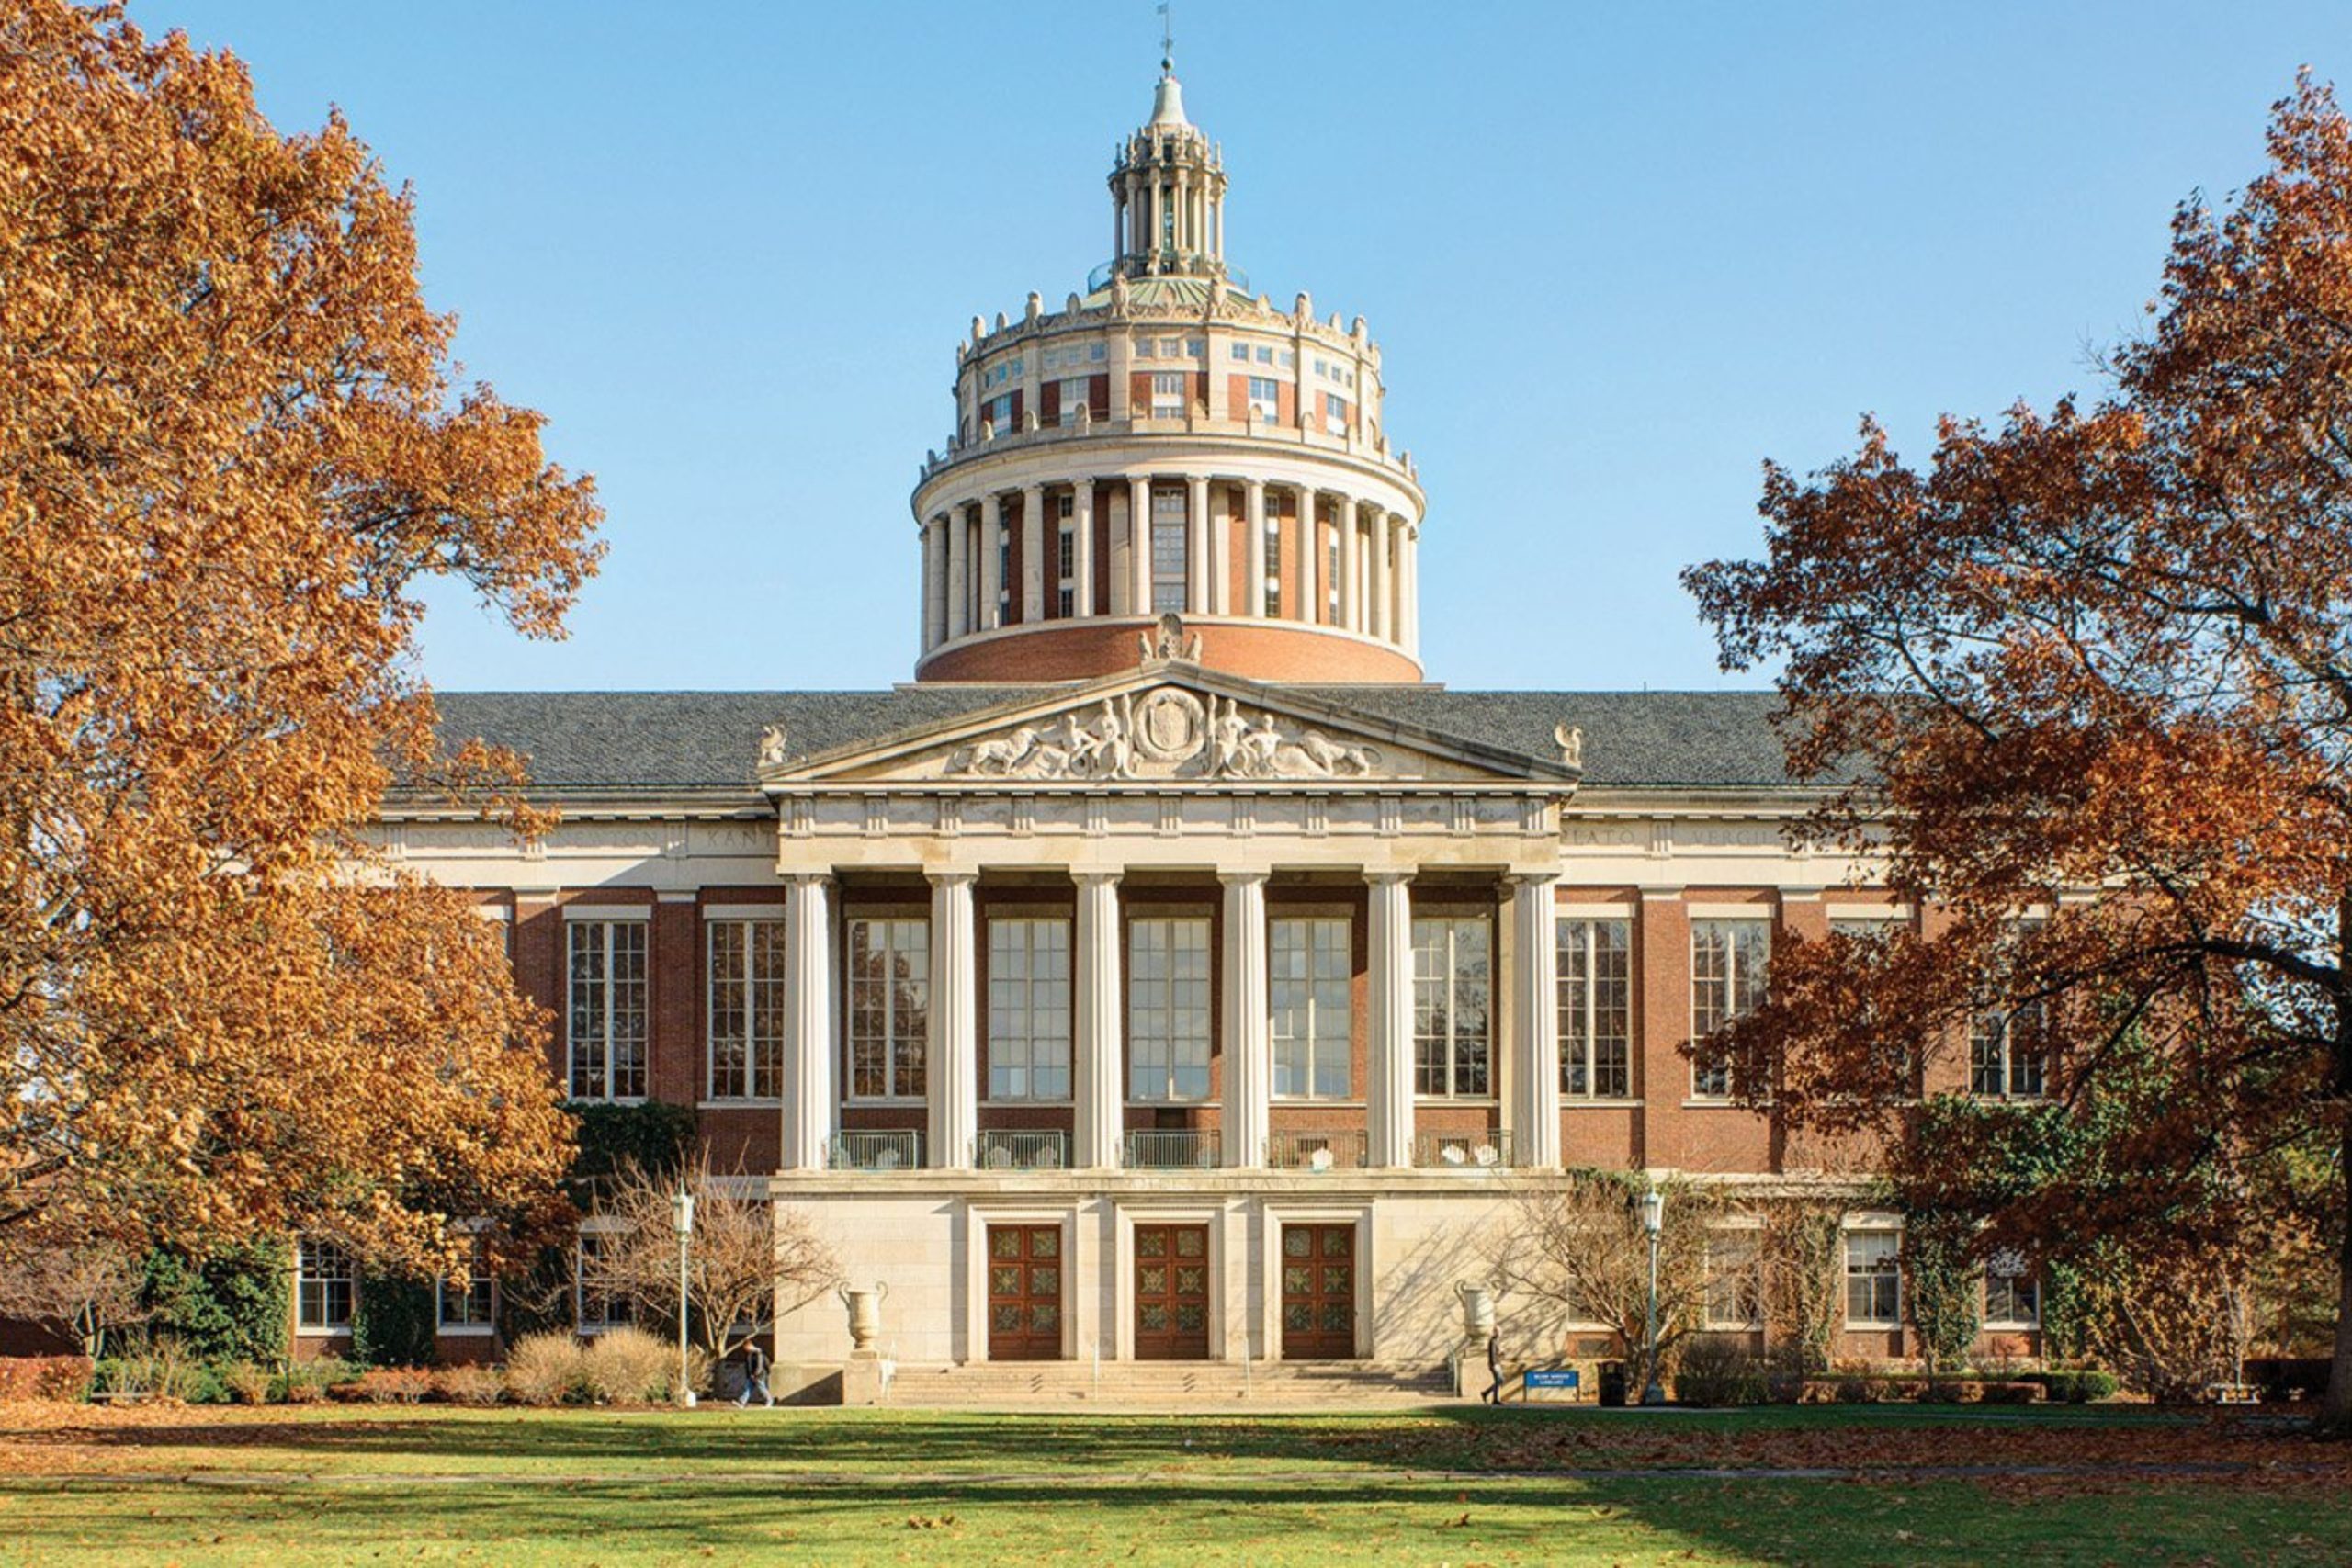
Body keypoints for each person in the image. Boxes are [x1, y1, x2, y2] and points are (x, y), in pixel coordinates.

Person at [736, 1339, 773, 1408]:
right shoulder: (750, 1354)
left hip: (758, 1375)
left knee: (762, 1388)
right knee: (748, 1388)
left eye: (745, 1347)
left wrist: (756, 1374)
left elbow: (759, 1365)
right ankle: (742, 1402)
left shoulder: (758, 1353)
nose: (745, 1349)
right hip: (751, 1375)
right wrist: (750, 1374)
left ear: (748, 1346)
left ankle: (769, 1401)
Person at [1482, 1325, 1504, 1405]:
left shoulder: (1497, 1341)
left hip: (1498, 1363)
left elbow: (1498, 1353)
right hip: (1494, 1364)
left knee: (1499, 1381)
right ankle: (1495, 1399)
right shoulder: (1492, 1341)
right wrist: (1493, 1364)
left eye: (1500, 1331)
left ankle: (1486, 1393)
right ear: (1495, 1332)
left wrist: (1501, 1352)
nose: (1500, 1333)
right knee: (1499, 1381)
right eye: (1498, 1331)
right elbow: (1491, 1354)